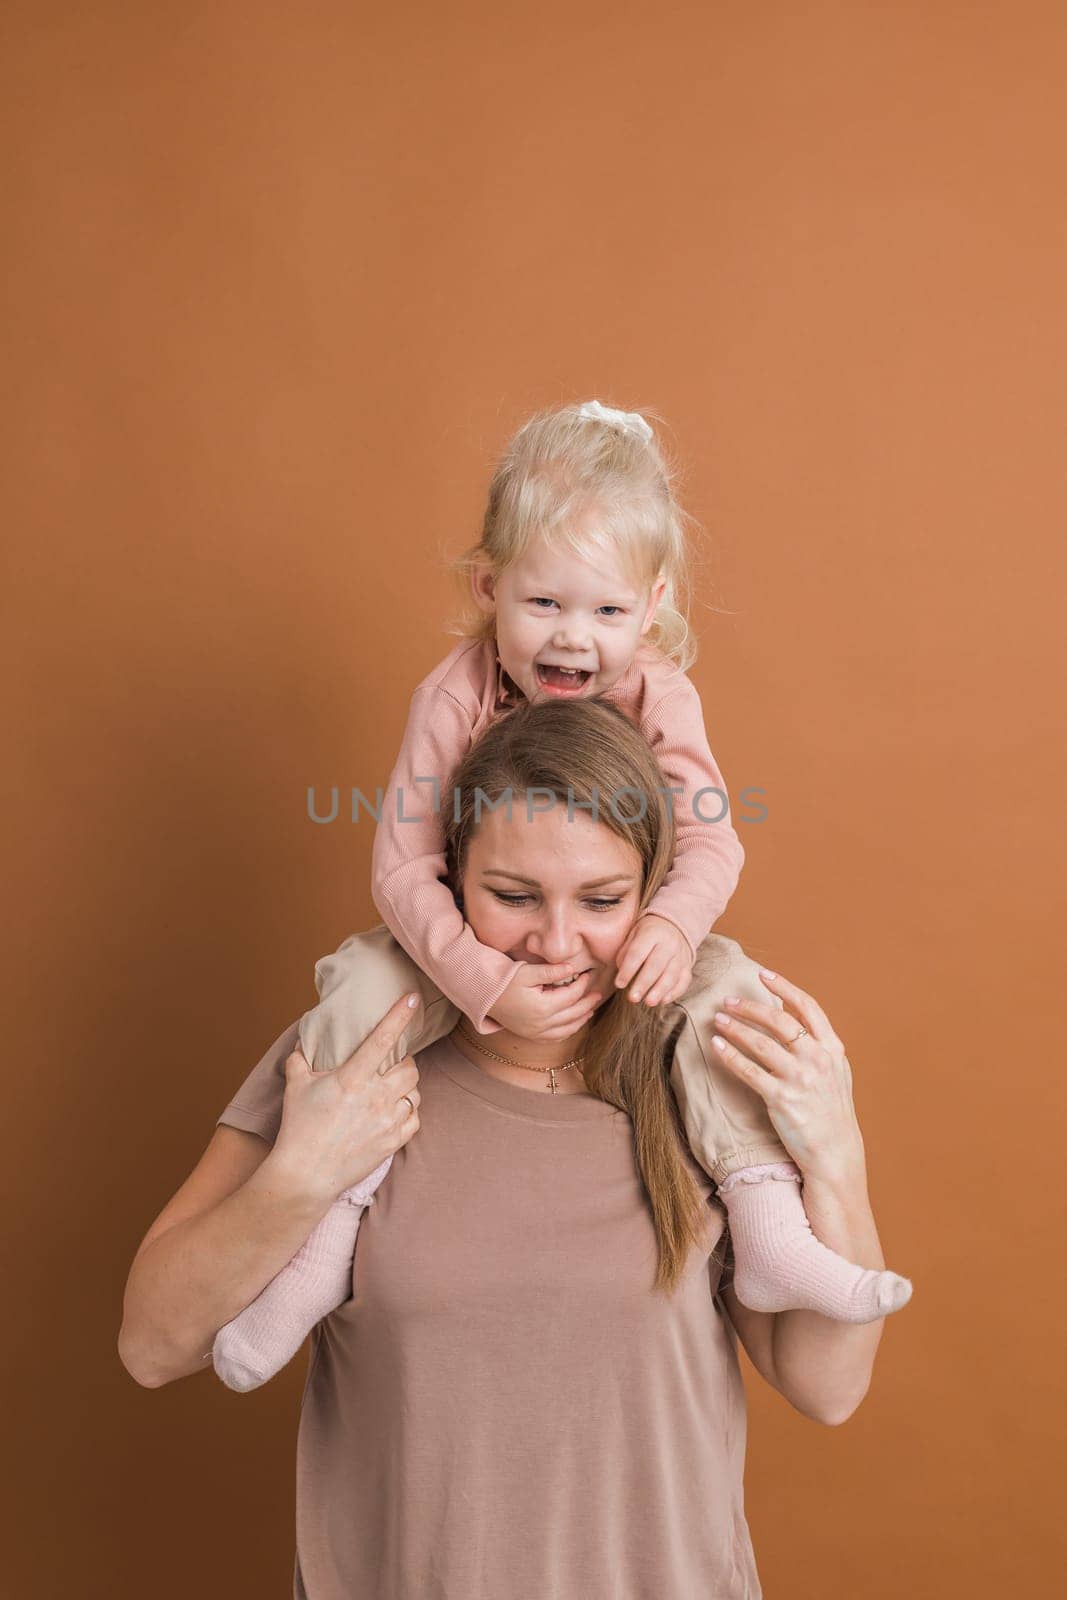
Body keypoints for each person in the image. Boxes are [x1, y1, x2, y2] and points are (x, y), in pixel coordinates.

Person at [119, 696, 907, 1600]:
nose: (557, 943)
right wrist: (302, 1175)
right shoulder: (353, 1054)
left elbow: (827, 1386)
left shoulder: (705, 1075)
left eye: (603, 901)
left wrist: (835, 1155)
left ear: (657, 894)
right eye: (513, 896)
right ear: (448, 882)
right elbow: (154, 1345)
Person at [211, 396, 910, 1392]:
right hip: (456, 938)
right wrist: (477, 974)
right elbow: (403, 868)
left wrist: (667, 924)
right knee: (362, 994)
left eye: (607, 612)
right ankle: (324, 1245)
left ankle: (764, 1220)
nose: (571, 640)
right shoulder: (451, 696)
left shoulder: (659, 695)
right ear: (487, 586)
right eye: (541, 605)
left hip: (629, 946)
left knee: (727, 992)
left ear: (654, 603)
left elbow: (709, 837)